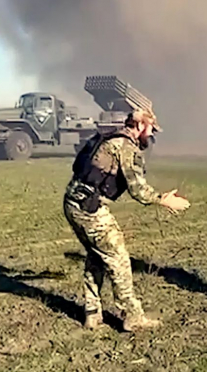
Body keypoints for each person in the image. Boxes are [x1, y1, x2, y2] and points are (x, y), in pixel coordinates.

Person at [63, 108, 191, 331]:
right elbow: (138, 190)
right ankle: (132, 316)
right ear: (140, 126)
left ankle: (92, 314)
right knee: (119, 259)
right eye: (150, 129)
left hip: (73, 203)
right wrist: (164, 200)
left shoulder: (112, 137)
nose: (151, 136)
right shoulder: (125, 147)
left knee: (97, 256)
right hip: (90, 210)